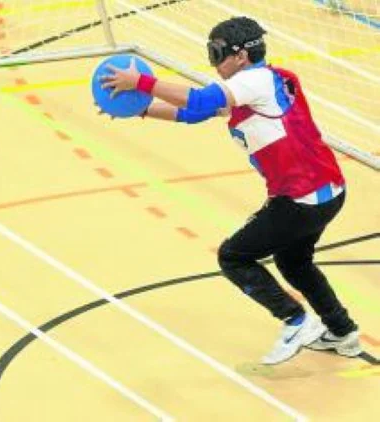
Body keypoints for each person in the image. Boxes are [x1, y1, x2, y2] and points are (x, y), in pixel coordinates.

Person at [101, 17, 360, 365]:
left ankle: (295, 320)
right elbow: (192, 113)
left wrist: (141, 83)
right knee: (294, 261)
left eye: (217, 53)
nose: (214, 60)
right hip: (327, 191)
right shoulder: (266, 82)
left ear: (240, 55)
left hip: (300, 198)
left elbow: (198, 99)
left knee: (234, 256)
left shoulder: (254, 81)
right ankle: (343, 332)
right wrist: (142, 109)